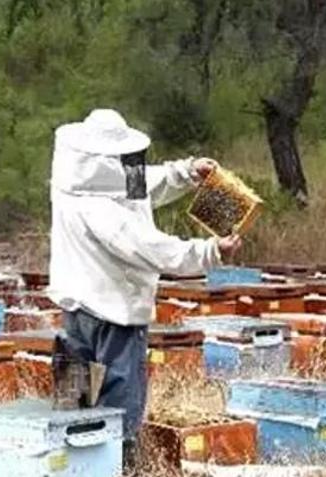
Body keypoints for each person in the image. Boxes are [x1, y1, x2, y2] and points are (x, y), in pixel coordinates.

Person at [46, 109, 242, 471]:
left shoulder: (74, 179)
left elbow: (141, 184)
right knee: (119, 415)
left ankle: (72, 469)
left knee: (71, 412)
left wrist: (185, 172)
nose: (130, 164)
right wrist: (209, 251)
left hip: (75, 315)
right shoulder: (100, 209)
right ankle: (120, 469)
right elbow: (149, 246)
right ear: (107, 160)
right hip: (114, 320)